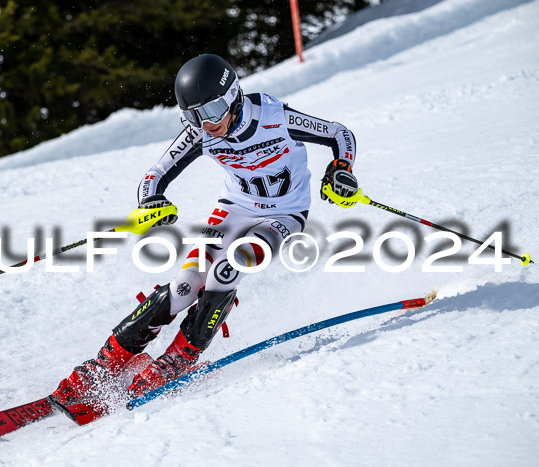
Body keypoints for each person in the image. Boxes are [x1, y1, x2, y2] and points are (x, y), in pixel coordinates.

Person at [51, 53, 359, 404]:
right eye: (193, 117)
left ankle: (181, 356)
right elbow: (155, 174)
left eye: (211, 112)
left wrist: (340, 168)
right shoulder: (200, 133)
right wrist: (151, 201)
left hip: (284, 215)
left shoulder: (273, 116)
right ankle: (108, 361)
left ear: (232, 97)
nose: (206, 124)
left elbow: (338, 133)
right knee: (185, 285)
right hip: (234, 209)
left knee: (230, 268)